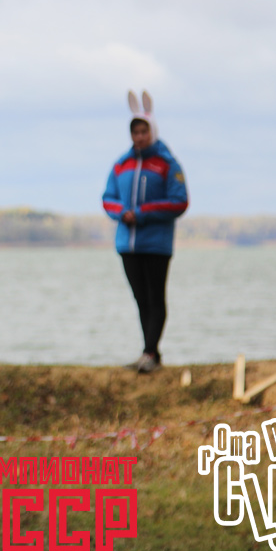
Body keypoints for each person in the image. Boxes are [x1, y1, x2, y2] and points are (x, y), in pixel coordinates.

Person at [102, 90, 189, 374]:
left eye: (143, 131)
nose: (139, 137)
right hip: (128, 245)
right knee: (141, 299)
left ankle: (150, 352)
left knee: (155, 298)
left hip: (156, 244)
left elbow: (179, 201)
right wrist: (122, 212)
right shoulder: (121, 164)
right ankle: (149, 353)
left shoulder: (168, 164)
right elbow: (108, 198)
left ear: (152, 131)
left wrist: (141, 213)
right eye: (135, 132)